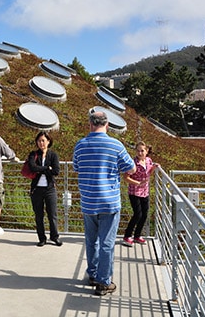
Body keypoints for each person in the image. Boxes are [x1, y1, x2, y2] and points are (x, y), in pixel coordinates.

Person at [73, 111, 136, 296]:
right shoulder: (115, 145)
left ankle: (92, 274)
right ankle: (103, 282)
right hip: (109, 202)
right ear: (107, 125)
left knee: (91, 241)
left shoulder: (80, 145)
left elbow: (77, 168)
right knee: (107, 243)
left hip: (88, 202)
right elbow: (131, 167)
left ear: (90, 125)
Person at [27, 131, 62, 247]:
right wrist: (47, 168)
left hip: (49, 189)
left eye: (43, 140)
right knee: (39, 215)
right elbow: (32, 167)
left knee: (52, 214)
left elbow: (56, 171)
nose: (41, 143)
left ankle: (54, 236)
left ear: (48, 141)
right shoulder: (33, 154)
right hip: (37, 189)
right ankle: (42, 238)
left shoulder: (53, 155)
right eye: (39, 141)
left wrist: (40, 169)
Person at [122, 141, 159, 247]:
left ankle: (137, 235)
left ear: (146, 151)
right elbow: (126, 177)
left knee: (144, 215)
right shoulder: (133, 163)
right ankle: (127, 236)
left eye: (142, 150)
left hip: (145, 191)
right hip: (134, 192)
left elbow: (148, 173)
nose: (140, 153)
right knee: (137, 214)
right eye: (138, 151)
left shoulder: (148, 160)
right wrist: (138, 183)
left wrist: (154, 167)